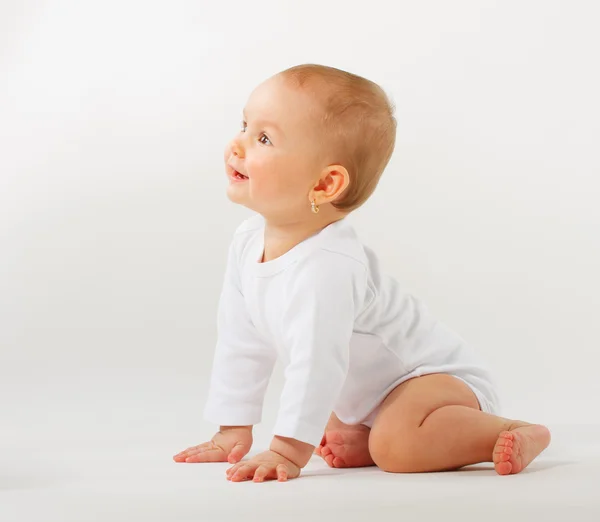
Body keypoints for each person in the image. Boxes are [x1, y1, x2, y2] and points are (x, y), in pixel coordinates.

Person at [173, 64, 551, 482]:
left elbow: (317, 363)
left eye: (263, 138)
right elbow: (241, 341)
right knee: (333, 430)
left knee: (395, 446)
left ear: (324, 185)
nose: (237, 145)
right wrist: (233, 428)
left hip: (434, 382)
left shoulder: (329, 265)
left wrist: (286, 450)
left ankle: (509, 430)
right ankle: (369, 429)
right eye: (244, 125)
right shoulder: (247, 242)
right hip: (370, 395)